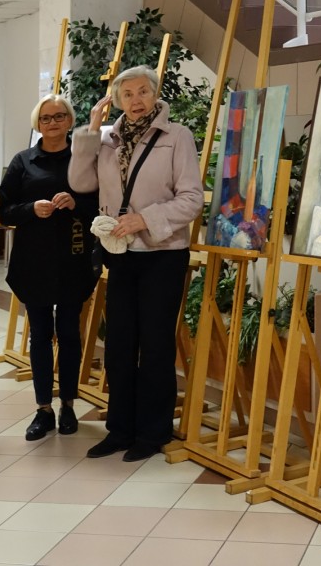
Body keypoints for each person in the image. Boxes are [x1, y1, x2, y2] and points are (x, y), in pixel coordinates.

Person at [69, 65, 204, 462]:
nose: (136, 100)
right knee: (119, 343)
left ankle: (152, 432)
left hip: (163, 253)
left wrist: (145, 219)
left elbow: (192, 199)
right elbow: (80, 183)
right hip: (121, 252)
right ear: (116, 101)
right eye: (127, 95)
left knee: (156, 344)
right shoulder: (107, 140)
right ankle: (120, 429)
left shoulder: (176, 136)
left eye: (143, 91)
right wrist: (91, 132)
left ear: (155, 94)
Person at [0, 94, 99, 442]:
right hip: (33, 262)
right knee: (39, 335)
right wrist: (30, 209)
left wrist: (76, 202)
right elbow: (3, 210)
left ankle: (68, 404)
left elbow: (102, 205)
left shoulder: (84, 160)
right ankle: (43, 409)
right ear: (37, 124)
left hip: (74, 259)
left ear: (70, 120)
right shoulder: (23, 161)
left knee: (69, 333)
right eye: (45, 118)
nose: (52, 123)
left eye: (59, 116)